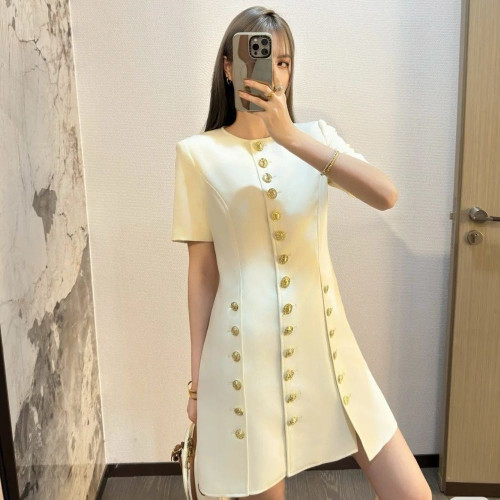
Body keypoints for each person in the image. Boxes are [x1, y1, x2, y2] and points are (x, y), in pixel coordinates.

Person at [171, 6, 432, 500]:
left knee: (413, 493)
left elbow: (386, 195)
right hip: (244, 358)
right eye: (261, 57)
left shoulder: (317, 138)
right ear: (229, 67)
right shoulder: (197, 154)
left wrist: (289, 136)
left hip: (329, 346)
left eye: (284, 62)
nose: (274, 72)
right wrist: (197, 386)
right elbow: (202, 274)